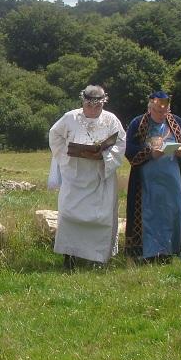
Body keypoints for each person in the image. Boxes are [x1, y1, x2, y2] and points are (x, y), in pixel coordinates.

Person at [48, 85, 126, 269]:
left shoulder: (111, 120)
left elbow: (120, 142)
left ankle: (98, 258)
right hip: (75, 175)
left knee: (101, 218)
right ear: (83, 102)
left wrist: (104, 155)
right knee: (69, 215)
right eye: (89, 105)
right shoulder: (70, 118)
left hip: (100, 176)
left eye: (97, 106)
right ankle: (70, 257)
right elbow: (54, 135)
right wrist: (68, 155)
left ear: (103, 103)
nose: (93, 110)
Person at [124, 91, 181, 263]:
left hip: (172, 180)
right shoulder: (138, 123)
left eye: (165, 112)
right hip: (146, 181)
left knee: (172, 211)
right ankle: (149, 251)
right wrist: (149, 153)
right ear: (150, 108)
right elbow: (128, 149)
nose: (162, 115)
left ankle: (172, 248)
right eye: (158, 111)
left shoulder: (177, 123)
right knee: (149, 213)